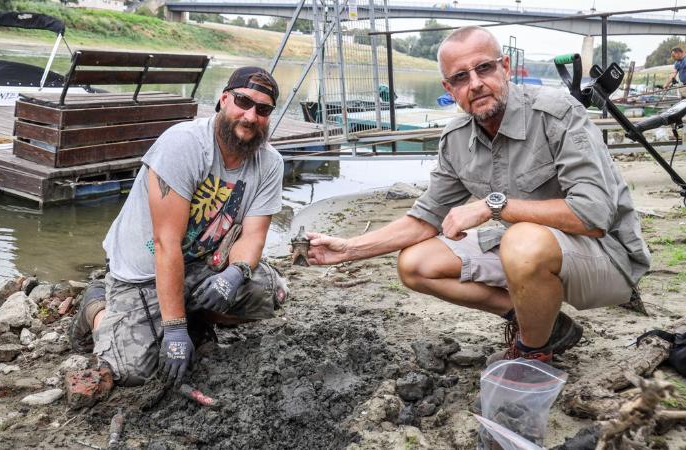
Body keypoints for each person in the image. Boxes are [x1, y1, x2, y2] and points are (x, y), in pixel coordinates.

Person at [307, 26, 650, 363]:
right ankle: (541, 322)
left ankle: (532, 354)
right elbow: (424, 219)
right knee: (415, 264)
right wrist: (349, 249)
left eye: (484, 68)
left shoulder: (557, 114)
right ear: (448, 87)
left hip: (606, 258)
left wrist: (493, 207)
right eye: (460, 77)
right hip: (528, 254)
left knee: (521, 239)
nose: (475, 83)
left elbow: (593, 217)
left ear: (504, 67)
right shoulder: (456, 138)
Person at [69, 67, 289, 386]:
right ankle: (97, 302)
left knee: (269, 295)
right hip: (145, 268)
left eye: (263, 109)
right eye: (243, 102)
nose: (251, 116)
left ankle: (190, 312)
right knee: (134, 371)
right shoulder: (183, 144)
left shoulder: (270, 163)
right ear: (224, 99)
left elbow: (254, 234)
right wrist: (173, 329)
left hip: (200, 263)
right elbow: (165, 244)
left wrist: (234, 274)